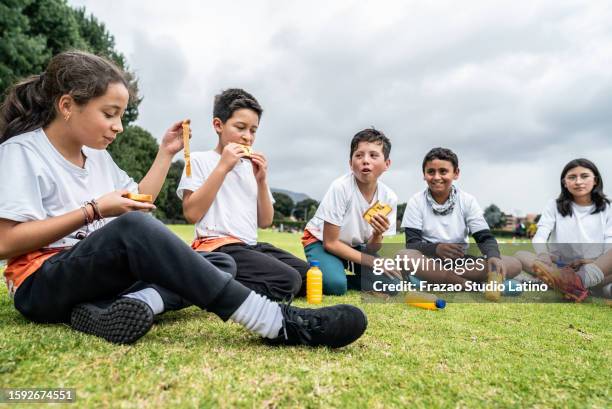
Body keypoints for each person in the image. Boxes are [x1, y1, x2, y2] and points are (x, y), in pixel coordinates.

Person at [0, 51, 367, 347]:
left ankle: (127, 306)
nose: (119, 126)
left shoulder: (96, 156)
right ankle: (273, 321)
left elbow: (137, 199)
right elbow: (5, 243)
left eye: (122, 115)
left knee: (218, 262)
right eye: (109, 114)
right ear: (67, 105)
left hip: (92, 280)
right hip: (40, 284)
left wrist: (165, 153)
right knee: (137, 229)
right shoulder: (23, 152)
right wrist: (94, 210)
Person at [178, 89, 308, 301]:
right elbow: (191, 213)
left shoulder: (251, 168)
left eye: (253, 130)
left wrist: (262, 180)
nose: (247, 137)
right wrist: (223, 167)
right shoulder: (199, 160)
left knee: (308, 277)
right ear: (218, 125)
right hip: (217, 246)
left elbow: (265, 221)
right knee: (287, 281)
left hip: (250, 246)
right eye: (240, 128)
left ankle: (222, 279)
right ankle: (212, 278)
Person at [400, 147, 522, 287]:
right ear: (424, 174)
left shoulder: (467, 200)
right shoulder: (416, 201)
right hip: (428, 259)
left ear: (456, 173)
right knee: (403, 256)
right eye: (431, 172)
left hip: (460, 263)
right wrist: (436, 248)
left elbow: (484, 237)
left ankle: (437, 279)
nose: (437, 177)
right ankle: (467, 284)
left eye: (443, 171)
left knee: (514, 264)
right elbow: (412, 244)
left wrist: (493, 256)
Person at [301, 128, 401, 295]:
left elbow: (371, 249)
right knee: (335, 286)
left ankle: (335, 273)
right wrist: (372, 262)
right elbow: (330, 243)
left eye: (373, 155)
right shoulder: (341, 188)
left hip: (356, 247)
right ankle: (319, 274)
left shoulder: (389, 197)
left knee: (392, 283)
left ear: (387, 164)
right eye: (359, 155)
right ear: (350, 163)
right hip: (321, 241)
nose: (365, 161)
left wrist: (377, 234)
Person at [514, 159, 612, 301]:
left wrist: (591, 261)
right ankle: (576, 284)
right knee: (521, 254)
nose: (578, 182)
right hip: (561, 266)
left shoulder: (608, 207)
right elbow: (540, 236)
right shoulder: (554, 205)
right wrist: (543, 254)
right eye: (572, 177)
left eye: (584, 176)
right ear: (564, 183)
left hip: (596, 266)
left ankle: (575, 283)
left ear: (595, 180)